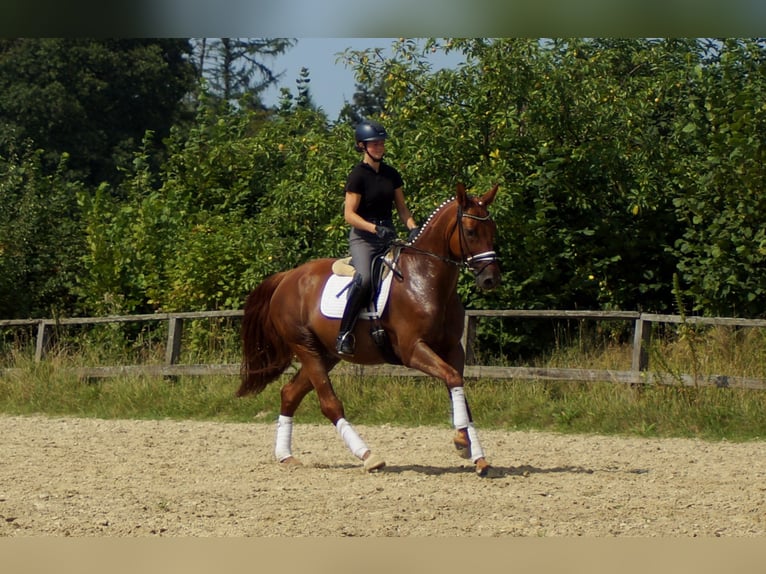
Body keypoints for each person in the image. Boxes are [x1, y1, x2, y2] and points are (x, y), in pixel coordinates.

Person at [335, 120, 419, 355]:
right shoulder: (357, 176)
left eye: (382, 143)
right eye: (375, 143)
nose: (380, 147)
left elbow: (402, 208)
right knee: (365, 280)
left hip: (388, 236)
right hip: (364, 239)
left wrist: (413, 227)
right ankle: (344, 333)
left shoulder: (392, 174)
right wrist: (373, 229)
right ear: (362, 146)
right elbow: (349, 215)